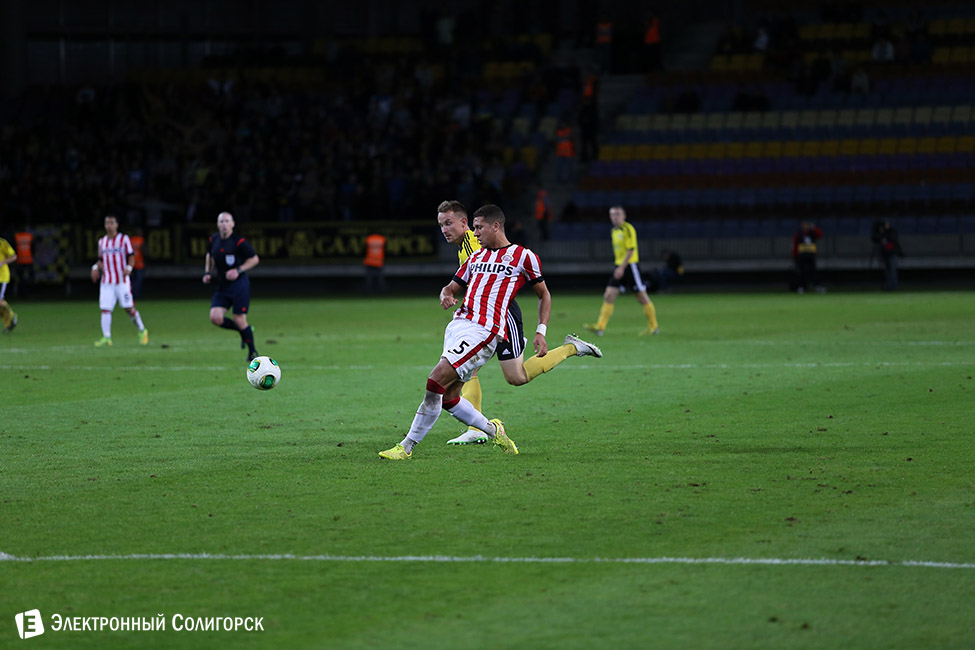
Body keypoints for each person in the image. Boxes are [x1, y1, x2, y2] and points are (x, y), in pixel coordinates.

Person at [380, 204, 602, 460]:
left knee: (436, 381)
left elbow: (544, 294)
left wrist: (541, 331)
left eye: (478, 228)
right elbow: (451, 287)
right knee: (450, 396)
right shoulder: (475, 257)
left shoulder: (523, 256)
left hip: (486, 330)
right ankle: (492, 430)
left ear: (496, 226)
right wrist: (446, 295)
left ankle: (406, 447)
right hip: (459, 325)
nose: (475, 233)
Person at [584, 206, 659, 337]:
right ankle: (600, 327)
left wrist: (621, 268)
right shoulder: (613, 231)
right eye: (612, 214)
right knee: (609, 295)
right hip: (619, 267)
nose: (615, 217)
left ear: (624, 216)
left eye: (618, 214)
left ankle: (654, 327)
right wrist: (619, 267)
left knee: (641, 296)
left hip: (630, 267)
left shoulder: (628, 229)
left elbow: (631, 250)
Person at [203, 211, 260, 362]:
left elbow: (254, 259)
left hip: (239, 285)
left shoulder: (239, 242)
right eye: (221, 221)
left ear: (233, 224)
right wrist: (207, 272)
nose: (224, 224)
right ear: (217, 224)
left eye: (227, 221)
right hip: (223, 285)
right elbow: (209, 254)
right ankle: (244, 331)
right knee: (215, 318)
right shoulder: (213, 239)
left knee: (239, 319)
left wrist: (238, 270)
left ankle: (253, 352)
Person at [91, 215, 149, 346]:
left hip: (122, 280)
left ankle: (142, 330)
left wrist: (129, 268)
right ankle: (107, 337)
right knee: (105, 309)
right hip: (107, 281)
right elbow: (101, 259)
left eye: (112, 223)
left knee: (128, 308)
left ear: (117, 225)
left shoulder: (124, 239)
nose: (109, 226)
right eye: (107, 223)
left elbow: (131, 256)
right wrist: (95, 267)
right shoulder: (102, 242)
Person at [791, 221, 824, 294]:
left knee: (813, 271)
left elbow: (820, 235)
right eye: (804, 225)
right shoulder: (798, 234)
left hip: (811, 255)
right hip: (801, 256)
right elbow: (795, 245)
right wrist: (794, 255)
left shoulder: (812, 233)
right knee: (802, 271)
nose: (805, 226)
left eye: (807, 225)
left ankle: (817, 286)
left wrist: (814, 228)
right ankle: (801, 287)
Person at [871, 220, 905, 291]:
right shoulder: (882, 233)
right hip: (885, 255)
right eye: (885, 225)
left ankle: (893, 286)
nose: (886, 226)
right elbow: (874, 238)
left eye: (887, 225)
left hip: (892, 254)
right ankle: (889, 285)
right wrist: (881, 232)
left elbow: (893, 241)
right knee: (887, 271)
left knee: (893, 270)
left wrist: (899, 252)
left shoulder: (891, 232)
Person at [0, 237, 18, 333]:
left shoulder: (2, 243)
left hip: (2, 277)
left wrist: (2, 262)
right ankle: (9, 324)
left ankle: (12, 317)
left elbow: (14, 256)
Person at [13, 228, 33, 299]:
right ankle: (29, 293)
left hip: (19, 260)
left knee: (20, 278)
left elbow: (13, 248)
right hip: (29, 260)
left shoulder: (16, 236)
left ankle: (21, 294)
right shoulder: (29, 236)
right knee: (29, 278)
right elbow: (33, 248)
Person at [130, 227, 146, 299]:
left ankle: (131, 294)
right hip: (139, 264)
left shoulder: (130, 240)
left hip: (131, 264)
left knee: (132, 280)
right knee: (138, 280)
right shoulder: (141, 240)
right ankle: (136, 295)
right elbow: (145, 252)